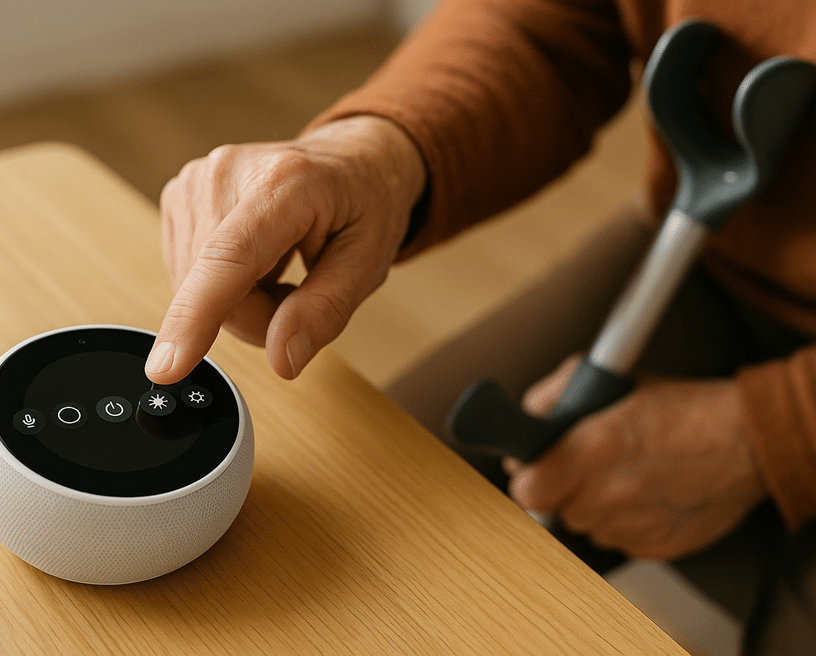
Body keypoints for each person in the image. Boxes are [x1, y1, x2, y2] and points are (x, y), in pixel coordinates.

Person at [145, 1, 816, 652]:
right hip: (719, 251)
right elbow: (556, 18)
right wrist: (377, 149)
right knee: (359, 510)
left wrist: (772, 431)